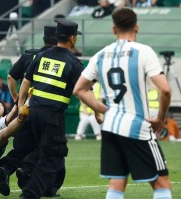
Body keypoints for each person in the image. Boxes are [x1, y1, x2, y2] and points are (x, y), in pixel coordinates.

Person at [73, 8, 172, 199]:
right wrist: (160, 118)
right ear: (137, 27)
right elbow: (165, 90)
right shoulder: (144, 51)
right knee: (161, 182)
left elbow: (79, 90)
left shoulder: (100, 55)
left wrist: (104, 109)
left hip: (111, 126)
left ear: (113, 29)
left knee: (117, 183)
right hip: (138, 127)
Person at [0, 19, 84, 199]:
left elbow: (19, 79)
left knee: (28, 148)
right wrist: (99, 111)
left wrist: (20, 104)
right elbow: (82, 90)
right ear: (72, 38)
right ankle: (31, 190)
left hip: (30, 111)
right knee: (52, 155)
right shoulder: (73, 62)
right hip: (52, 115)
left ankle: (12, 168)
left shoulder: (37, 57)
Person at [6, 25, 66, 197]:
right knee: (52, 150)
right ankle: (47, 186)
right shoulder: (57, 59)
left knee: (24, 146)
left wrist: (17, 98)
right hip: (48, 110)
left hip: (24, 109)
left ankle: (11, 168)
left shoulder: (29, 55)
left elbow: (11, 77)